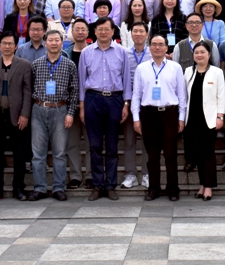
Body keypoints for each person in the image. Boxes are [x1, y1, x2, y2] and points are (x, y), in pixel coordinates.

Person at [78, 18, 133, 200]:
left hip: (114, 100)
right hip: (92, 99)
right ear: (94, 31)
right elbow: (81, 81)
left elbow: (126, 79)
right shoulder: (86, 53)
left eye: (106, 29)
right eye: (100, 29)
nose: (103, 32)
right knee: (94, 145)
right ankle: (97, 185)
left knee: (111, 145)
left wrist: (126, 104)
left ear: (112, 31)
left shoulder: (122, 52)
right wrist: (82, 106)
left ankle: (110, 185)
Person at [131, 34, 187, 201]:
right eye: (154, 44)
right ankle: (153, 188)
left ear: (166, 47)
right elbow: (136, 95)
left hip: (170, 113)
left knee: (171, 154)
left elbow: (181, 95)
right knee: (152, 156)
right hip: (149, 114)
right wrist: (136, 118)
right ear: (149, 47)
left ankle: (173, 188)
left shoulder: (175, 67)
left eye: (161, 44)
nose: (157, 47)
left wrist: (181, 117)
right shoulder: (141, 68)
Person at [0, 32, 32, 201]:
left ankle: (19, 188)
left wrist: (25, 114)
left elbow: (27, 91)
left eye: (10, 43)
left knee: (19, 154)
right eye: (4, 43)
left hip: (17, 116)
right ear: (0, 45)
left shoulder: (24, 65)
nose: (7, 46)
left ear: (16, 46)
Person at [29, 30, 79, 200]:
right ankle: (40, 188)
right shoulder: (36, 64)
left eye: (57, 40)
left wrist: (70, 113)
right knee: (38, 153)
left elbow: (74, 91)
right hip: (38, 109)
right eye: (50, 40)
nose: (54, 43)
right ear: (45, 43)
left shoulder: (69, 65)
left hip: (60, 110)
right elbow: (30, 88)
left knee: (59, 152)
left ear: (62, 42)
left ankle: (59, 188)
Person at [183, 41, 225, 201]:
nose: (199, 55)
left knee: (208, 153)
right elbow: (184, 96)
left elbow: (221, 96)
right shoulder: (188, 71)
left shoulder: (217, 72)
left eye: (203, 52)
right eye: (196, 52)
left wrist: (220, 116)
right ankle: (202, 184)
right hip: (191, 119)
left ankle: (209, 186)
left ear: (209, 55)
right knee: (197, 154)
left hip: (209, 119)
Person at [121, 22, 151, 189]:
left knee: (147, 140)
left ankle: (146, 173)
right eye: (135, 31)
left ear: (147, 34)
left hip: (147, 102)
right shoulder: (124, 54)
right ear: (131, 34)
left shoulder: (152, 53)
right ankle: (130, 174)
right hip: (130, 100)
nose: (138, 34)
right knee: (129, 140)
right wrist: (126, 103)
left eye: (141, 31)